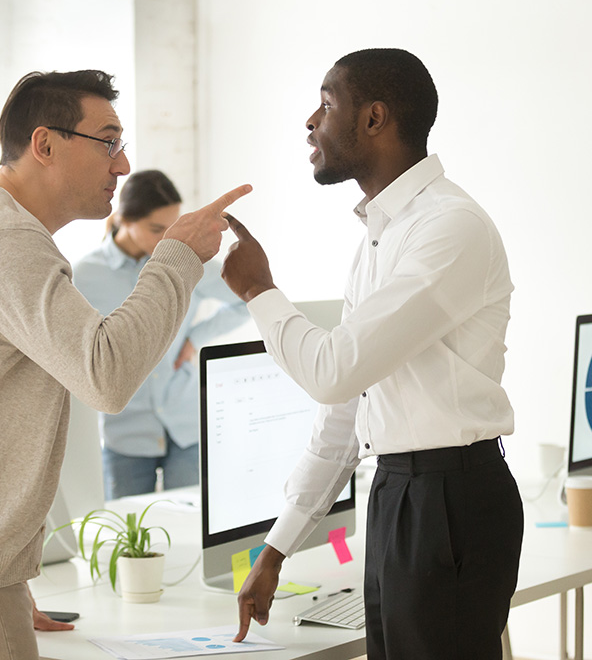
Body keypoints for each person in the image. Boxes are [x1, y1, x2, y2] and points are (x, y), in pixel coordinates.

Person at [0, 69, 250, 660]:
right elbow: (105, 376)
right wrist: (178, 256)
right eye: (108, 140)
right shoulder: (3, 239)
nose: (123, 163)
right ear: (45, 144)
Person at [221, 48, 524, 660]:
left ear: (374, 119)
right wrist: (275, 549)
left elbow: (333, 373)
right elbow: (350, 410)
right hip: (398, 494)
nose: (311, 121)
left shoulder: (449, 227)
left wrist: (258, 289)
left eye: (327, 103)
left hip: (449, 498)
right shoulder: (381, 237)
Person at [73, 169, 250, 499]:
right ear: (123, 219)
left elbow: (247, 300)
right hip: (125, 432)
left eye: (171, 229)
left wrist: (195, 338)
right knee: (127, 537)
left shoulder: (188, 261)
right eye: (156, 229)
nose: (166, 240)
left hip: (185, 426)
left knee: (190, 531)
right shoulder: (85, 275)